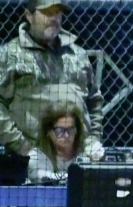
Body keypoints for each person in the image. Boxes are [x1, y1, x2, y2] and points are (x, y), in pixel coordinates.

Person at [0, 0, 104, 159]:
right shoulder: (10, 55)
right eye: (46, 13)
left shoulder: (78, 55)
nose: (53, 18)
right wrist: (22, 147)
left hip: (78, 158)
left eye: (57, 13)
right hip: (30, 160)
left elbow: (94, 100)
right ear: (29, 16)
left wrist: (93, 140)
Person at [24, 100, 85, 207]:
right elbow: (41, 176)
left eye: (70, 129)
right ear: (48, 132)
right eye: (59, 131)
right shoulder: (36, 156)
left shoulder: (84, 156)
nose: (66, 135)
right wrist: (74, 178)